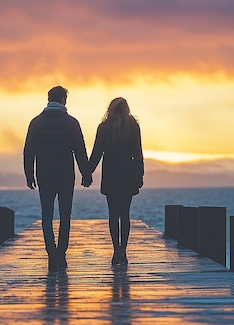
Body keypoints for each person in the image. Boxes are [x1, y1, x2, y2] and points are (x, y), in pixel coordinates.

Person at [23, 86, 92, 270]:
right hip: (65, 176)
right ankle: (61, 254)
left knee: (46, 215)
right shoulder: (71, 123)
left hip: (44, 175)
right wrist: (86, 174)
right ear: (63, 99)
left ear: (48, 99)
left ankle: (51, 253)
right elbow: (80, 150)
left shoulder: (36, 122)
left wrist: (29, 174)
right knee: (65, 216)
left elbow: (28, 151)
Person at [89, 97, 144, 265]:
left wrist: (87, 173)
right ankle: (124, 251)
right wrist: (139, 176)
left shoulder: (104, 127)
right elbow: (138, 153)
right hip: (128, 173)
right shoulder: (133, 127)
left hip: (111, 174)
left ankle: (116, 251)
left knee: (113, 214)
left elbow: (97, 153)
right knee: (125, 214)